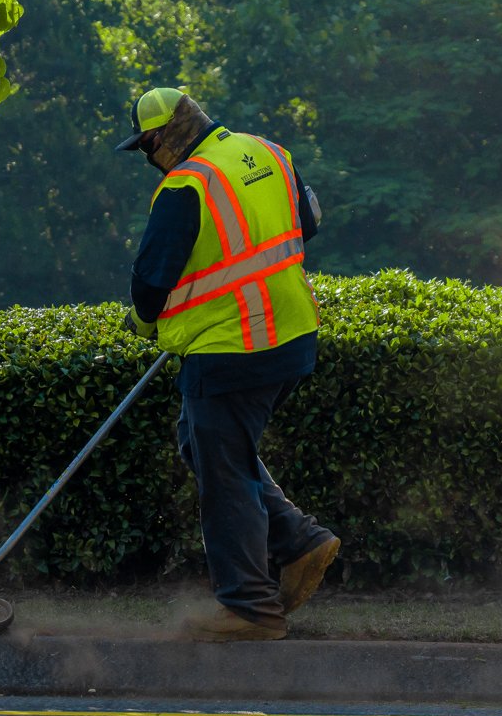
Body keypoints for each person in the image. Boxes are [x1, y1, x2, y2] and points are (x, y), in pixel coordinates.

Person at [116, 86, 340, 642]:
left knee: (224, 473)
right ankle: (298, 540)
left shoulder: (185, 186)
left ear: (166, 135)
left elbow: (150, 285)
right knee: (207, 444)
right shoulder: (268, 152)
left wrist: (144, 322)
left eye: (147, 147)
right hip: (291, 336)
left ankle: (248, 607)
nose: (148, 159)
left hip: (232, 346)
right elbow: (303, 225)